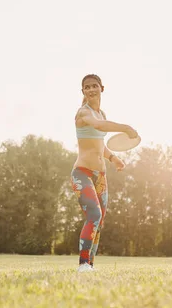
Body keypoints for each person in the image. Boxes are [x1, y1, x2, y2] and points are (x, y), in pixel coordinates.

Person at [71, 73, 138, 273]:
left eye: (94, 86)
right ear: (82, 91)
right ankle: (82, 264)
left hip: (101, 176)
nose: (91, 89)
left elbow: (99, 145)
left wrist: (113, 158)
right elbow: (99, 127)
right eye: (87, 87)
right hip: (82, 173)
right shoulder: (83, 113)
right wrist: (125, 128)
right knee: (94, 213)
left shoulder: (103, 114)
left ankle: (90, 265)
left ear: (102, 88)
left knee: (99, 222)